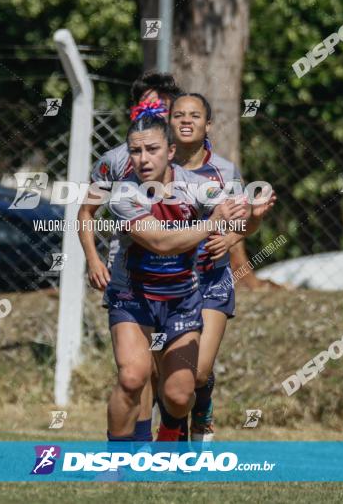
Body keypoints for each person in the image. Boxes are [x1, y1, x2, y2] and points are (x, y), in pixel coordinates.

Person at [103, 113, 248, 446]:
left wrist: (248, 216)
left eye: (152, 150)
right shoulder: (124, 194)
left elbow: (240, 218)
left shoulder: (197, 186)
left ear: (170, 151)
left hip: (182, 300)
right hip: (133, 298)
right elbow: (160, 243)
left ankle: (170, 434)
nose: (143, 159)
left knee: (180, 395)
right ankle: (115, 461)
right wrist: (214, 224)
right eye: (135, 152)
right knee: (132, 377)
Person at [78, 71, 181, 443]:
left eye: (164, 108)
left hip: (179, 282)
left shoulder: (189, 156)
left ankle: (176, 437)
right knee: (134, 373)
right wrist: (93, 259)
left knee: (172, 376)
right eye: (148, 106)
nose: (157, 114)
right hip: (131, 278)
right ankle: (134, 447)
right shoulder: (116, 160)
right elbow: (86, 212)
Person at [168, 93, 275, 446]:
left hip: (211, 279)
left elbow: (243, 228)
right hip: (164, 280)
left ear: (207, 125)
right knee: (170, 375)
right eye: (179, 115)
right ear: (169, 122)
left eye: (194, 115)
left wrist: (232, 239)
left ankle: (204, 408)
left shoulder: (226, 171)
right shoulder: (157, 167)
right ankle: (173, 435)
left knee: (197, 372)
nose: (186, 121)